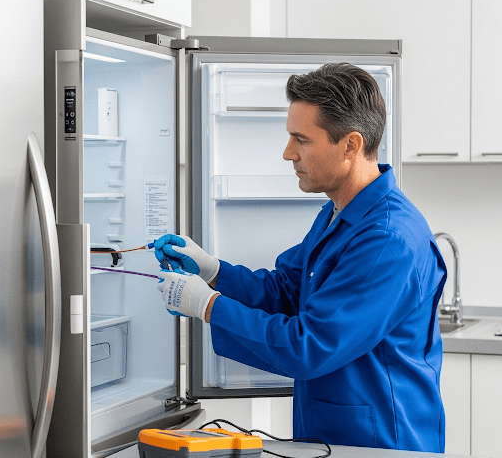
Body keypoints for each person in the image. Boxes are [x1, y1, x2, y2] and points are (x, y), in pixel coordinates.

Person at [155, 63, 447, 452]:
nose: (287, 153)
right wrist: (213, 272)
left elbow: (310, 347)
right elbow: (287, 290)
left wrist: (207, 306)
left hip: (383, 440)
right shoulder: (339, 212)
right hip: (336, 435)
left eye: (301, 140)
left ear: (351, 145)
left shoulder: (387, 241)